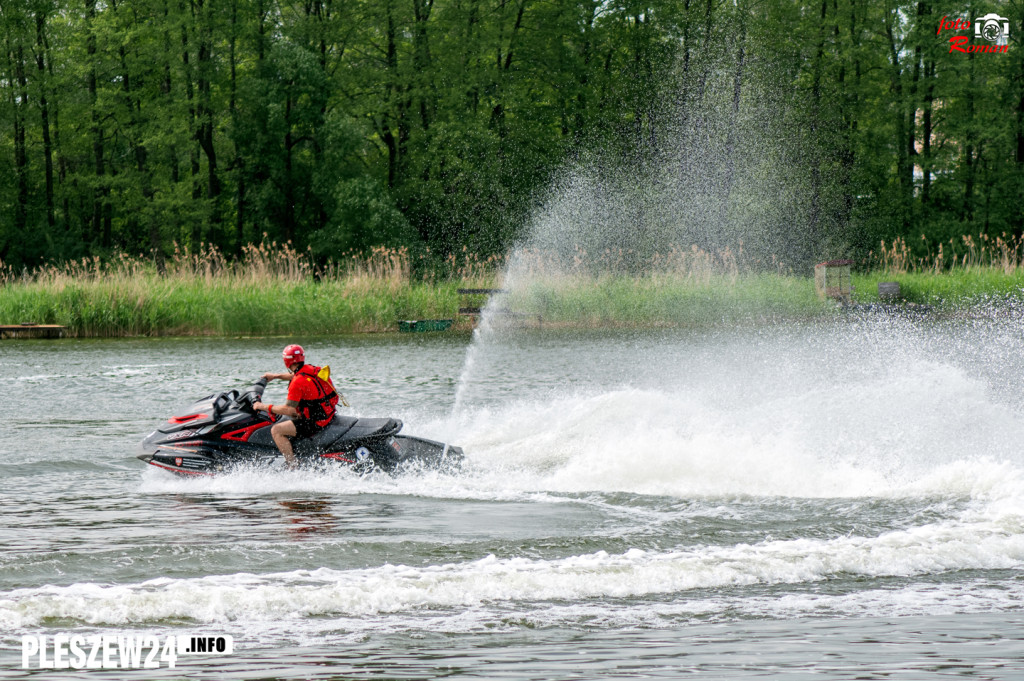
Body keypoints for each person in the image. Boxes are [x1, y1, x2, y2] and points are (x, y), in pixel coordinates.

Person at [253, 344, 339, 469]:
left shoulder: (297, 382)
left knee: (276, 430)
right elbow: (297, 375)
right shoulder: (313, 370)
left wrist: (262, 406)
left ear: (286, 361)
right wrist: (275, 376)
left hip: (316, 422)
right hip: (328, 414)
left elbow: (289, 410)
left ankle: (292, 465)